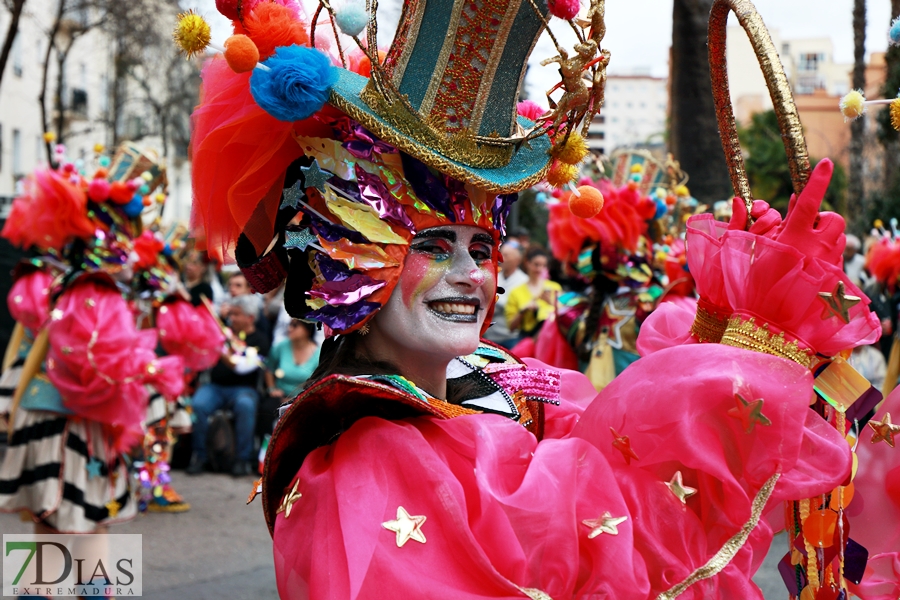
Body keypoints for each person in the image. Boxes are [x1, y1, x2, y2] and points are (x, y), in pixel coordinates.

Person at [178, 0, 882, 596]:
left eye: (481, 248)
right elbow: (594, 535)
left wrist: (730, 334)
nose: (470, 275)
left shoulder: (504, 379)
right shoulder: (365, 450)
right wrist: (754, 354)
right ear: (345, 251)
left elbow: (628, 482)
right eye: (431, 245)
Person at [188, 293, 270, 477]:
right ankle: (200, 457)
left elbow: (240, 367)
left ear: (250, 318)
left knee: (245, 406)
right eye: (230, 314)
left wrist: (218, 346)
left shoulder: (260, 340)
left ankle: (242, 459)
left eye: (236, 314)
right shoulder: (225, 334)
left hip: (243, 390)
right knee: (198, 404)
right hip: (215, 386)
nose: (231, 318)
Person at [261, 319, 319, 436]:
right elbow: (269, 368)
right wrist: (271, 388)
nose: (289, 329)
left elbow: (318, 381)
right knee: (265, 410)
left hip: (304, 398)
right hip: (280, 395)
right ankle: (266, 446)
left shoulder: (318, 353)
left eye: (295, 325)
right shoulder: (281, 347)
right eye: (289, 325)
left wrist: (295, 399)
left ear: (307, 329)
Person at [505, 247, 562, 338]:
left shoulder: (554, 288)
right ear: (527, 263)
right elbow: (511, 327)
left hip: (551, 337)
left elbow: (564, 315)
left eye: (543, 265)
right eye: (536, 265)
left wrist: (551, 303)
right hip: (527, 338)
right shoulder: (516, 292)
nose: (539, 269)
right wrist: (523, 310)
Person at [483, 243, 528, 349]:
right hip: (491, 335)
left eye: (506, 255)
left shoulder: (524, 281)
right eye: (501, 254)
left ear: (517, 260)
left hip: (512, 338)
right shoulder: (494, 276)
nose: (501, 258)